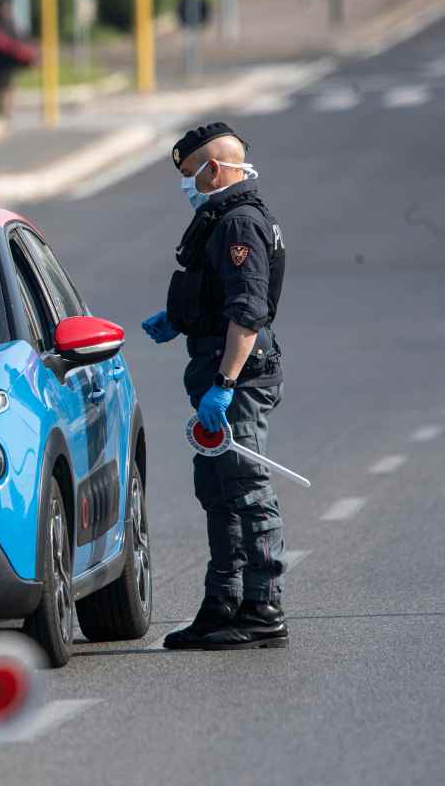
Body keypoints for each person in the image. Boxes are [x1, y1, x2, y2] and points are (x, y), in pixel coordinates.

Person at [141, 122, 288, 651]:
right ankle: (222, 604)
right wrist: (178, 318)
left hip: (238, 378)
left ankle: (263, 607)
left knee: (247, 488)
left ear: (216, 169)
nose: (187, 185)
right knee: (219, 491)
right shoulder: (222, 219)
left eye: (190, 175)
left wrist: (224, 384)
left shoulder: (239, 223)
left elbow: (248, 312)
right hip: (215, 368)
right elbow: (217, 293)